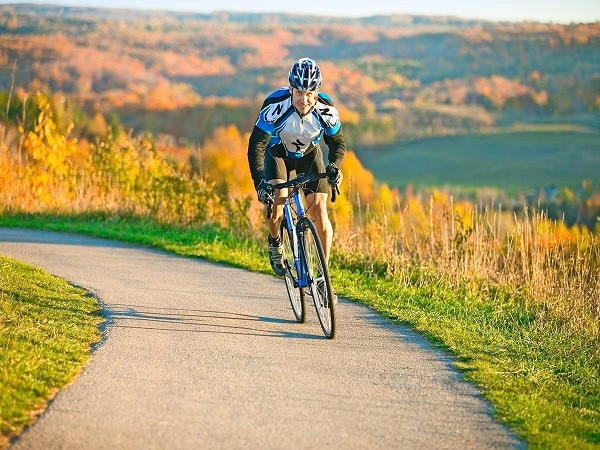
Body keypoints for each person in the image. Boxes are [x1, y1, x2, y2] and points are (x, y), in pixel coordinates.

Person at [247, 57, 346, 277]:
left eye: (309, 94)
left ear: (316, 93)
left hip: (309, 155)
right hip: (278, 154)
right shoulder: (275, 106)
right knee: (277, 203)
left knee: (320, 211)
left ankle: (323, 275)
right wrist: (260, 183)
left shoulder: (326, 109)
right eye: (299, 93)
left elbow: (337, 143)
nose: (304, 99)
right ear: (291, 88)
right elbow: (257, 145)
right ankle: (275, 242)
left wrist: (334, 167)